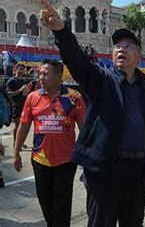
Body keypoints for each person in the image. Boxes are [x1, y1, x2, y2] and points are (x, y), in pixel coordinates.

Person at [39, 0, 145, 227]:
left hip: (138, 173)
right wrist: (61, 31)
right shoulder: (102, 80)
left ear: (138, 56)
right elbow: (78, 63)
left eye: (128, 46)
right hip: (106, 170)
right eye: (117, 46)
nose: (121, 49)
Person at [13, 59, 86, 227]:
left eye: (45, 74)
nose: (40, 77)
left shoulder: (74, 97)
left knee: (61, 205)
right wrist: (16, 153)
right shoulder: (33, 97)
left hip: (66, 161)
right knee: (45, 202)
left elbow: (85, 129)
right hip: (40, 160)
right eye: (39, 73)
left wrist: (85, 156)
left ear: (59, 77)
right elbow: (24, 126)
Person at [6, 63, 29, 148]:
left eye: (23, 69)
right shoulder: (12, 81)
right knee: (17, 124)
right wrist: (20, 90)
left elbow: (24, 93)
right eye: (20, 69)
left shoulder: (24, 81)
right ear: (16, 69)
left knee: (23, 126)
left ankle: (20, 142)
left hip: (24, 105)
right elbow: (8, 94)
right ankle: (16, 144)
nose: (21, 70)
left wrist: (25, 92)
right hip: (15, 105)